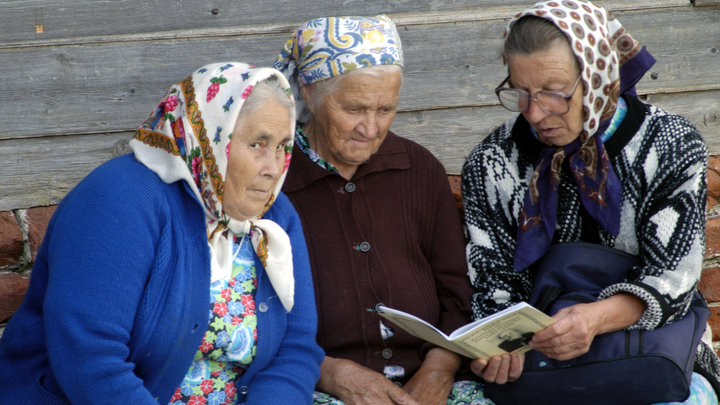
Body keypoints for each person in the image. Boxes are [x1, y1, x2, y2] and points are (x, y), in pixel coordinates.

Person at [0, 62, 324, 404]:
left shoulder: (275, 214)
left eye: (282, 146)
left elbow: (296, 348)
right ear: (212, 137)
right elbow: (92, 359)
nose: (274, 167)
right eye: (258, 144)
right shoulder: (121, 199)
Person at [462, 0, 720, 403]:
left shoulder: (669, 143)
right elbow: (493, 285)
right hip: (542, 361)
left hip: (656, 352)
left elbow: (674, 279)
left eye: (554, 93)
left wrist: (595, 319)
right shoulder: (492, 162)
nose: (534, 112)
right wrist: (499, 346)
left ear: (598, 74)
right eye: (521, 92)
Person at [273, 15, 490, 405]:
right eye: (354, 109)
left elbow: (458, 292)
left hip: (431, 383)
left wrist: (439, 368)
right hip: (314, 386)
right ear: (308, 91)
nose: (371, 129)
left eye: (386, 110)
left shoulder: (419, 169)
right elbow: (247, 310)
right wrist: (326, 371)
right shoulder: (271, 179)